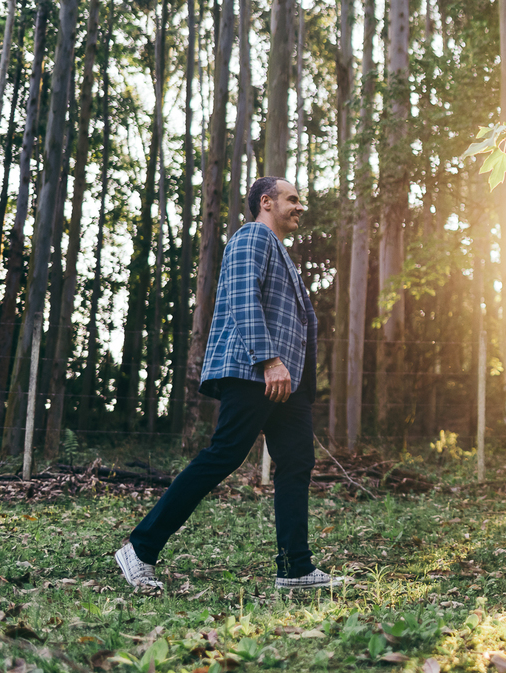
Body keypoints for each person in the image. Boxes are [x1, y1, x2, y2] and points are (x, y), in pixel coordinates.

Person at [115, 177, 345, 591]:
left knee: (296, 464)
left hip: (285, 382)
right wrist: (269, 359)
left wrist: (295, 378)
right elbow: (242, 298)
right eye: (293, 200)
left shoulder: (280, 252)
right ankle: (140, 548)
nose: (300, 207)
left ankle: (295, 568)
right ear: (266, 202)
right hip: (254, 370)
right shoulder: (252, 236)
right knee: (224, 455)